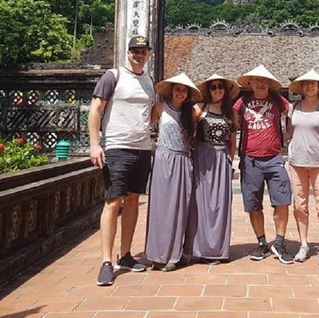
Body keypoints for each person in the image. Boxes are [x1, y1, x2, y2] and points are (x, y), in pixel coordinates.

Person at [88, 36, 155, 286]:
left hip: (143, 148)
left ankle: (125, 254)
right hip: (117, 146)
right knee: (113, 202)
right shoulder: (112, 76)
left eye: (143, 51)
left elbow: (150, 114)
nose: (139, 55)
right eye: (135, 51)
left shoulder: (149, 81)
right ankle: (106, 261)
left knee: (134, 200)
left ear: (148, 54)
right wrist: (95, 145)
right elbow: (95, 109)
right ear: (128, 53)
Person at [234, 64, 294, 264]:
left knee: (282, 200)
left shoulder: (278, 100)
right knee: (253, 203)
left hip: (274, 157)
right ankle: (261, 243)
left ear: (269, 83)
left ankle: (279, 241)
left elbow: (292, 113)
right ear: (250, 83)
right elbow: (234, 126)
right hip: (250, 159)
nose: (260, 83)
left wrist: (288, 134)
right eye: (256, 80)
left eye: (264, 80)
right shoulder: (241, 103)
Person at [145, 73, 202, 272]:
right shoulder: (160, 108)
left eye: (184, 90)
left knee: (179, 208)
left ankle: (175, 255)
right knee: (160, 207)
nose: (180, 93)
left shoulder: (192, 112)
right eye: (177, 89)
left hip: (183, 160)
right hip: (163, 159)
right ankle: (157, 253)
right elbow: (146, 127)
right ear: (171, 91)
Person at [184, 74, 238, 263]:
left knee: (219, 205)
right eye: (213, 87)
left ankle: (217, 250)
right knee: (200, 204)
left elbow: (232, 142)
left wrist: (230, 163)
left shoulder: (231, 113)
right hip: (202, 158)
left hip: (221, 159)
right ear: (208, 90)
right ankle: (198, 249)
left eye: (220, 87)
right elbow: (187, 131)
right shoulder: (199, 109)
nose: (217, 90)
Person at [286, 70, 319, 265]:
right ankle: (304, 244)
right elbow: (289, 133)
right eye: (306, 84)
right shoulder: (294, 107)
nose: (310, 86)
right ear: (302, 87)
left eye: (314, 84)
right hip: (297, 163)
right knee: (299, 205)